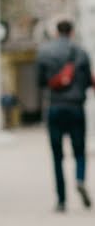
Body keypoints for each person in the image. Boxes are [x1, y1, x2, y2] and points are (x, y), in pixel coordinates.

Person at [36, 19, 93, 212]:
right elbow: (87, 82)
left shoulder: (45, 52)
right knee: (79, 151)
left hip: (55, 106)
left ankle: (61, 200)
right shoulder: (81, 53)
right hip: (76, 106)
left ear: (55, 32)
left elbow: (41, 82)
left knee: (57, 156)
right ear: (72, 32)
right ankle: (79, 178)